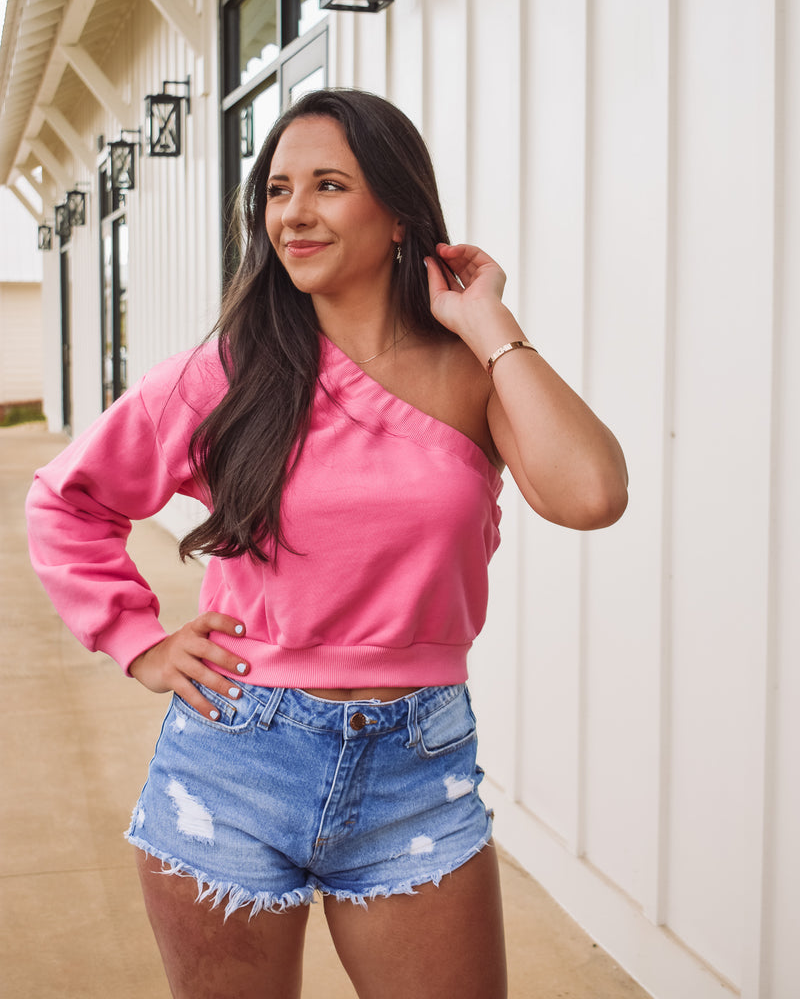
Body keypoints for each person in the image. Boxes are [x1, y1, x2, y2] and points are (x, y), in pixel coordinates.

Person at [26, 88, 628, 999]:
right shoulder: (224, 374)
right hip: (233, 759)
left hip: (414, 768)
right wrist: (137, 638)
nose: (293, 214)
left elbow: (591, 494)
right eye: (276, 191)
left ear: (396, 211)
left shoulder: (472, 372)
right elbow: (67, 500)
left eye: (329, 186)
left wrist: (488, 321)